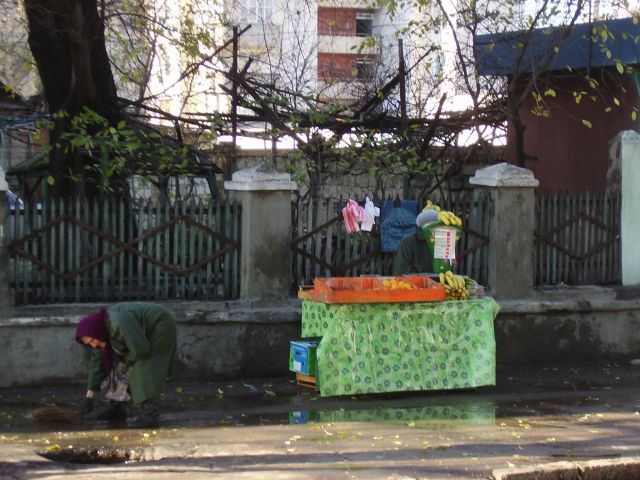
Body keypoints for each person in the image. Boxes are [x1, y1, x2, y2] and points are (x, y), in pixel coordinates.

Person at [75, 302, 177, 428]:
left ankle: (150, 416)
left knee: (144, 366)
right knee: (118, 366)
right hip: (139, 335)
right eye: (89, 343)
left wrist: (124, 362)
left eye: (92, 340)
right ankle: (117, 409)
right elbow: (97, 365)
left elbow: (141, 350)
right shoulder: (100, 334)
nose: (93, 345)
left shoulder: (118, 323)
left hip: (160, 325)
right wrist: (89, 396)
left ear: (96, 331)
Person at [392, 209, 438, 275]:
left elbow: (452, 264)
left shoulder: (443, 240)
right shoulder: (408, 242)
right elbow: (401, 271)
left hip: (441, 282)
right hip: (415, 283)